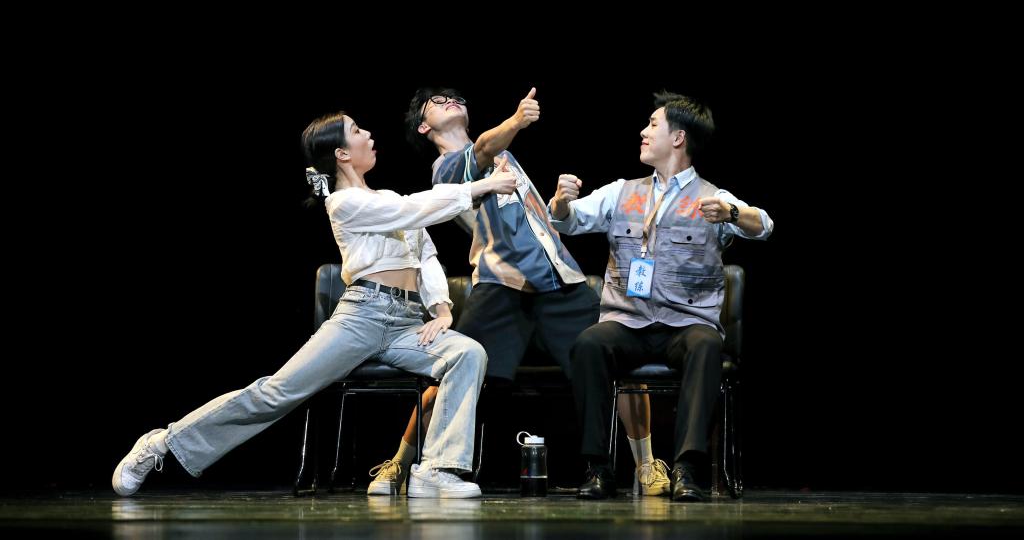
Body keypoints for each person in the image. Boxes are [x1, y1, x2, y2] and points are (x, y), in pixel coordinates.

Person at [111, 111, 518, 499]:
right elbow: (409, 209)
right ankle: (163, 443)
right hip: (361, 316)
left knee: (467, 353)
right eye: (357, 131)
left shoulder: (388, 196)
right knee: (276, 392)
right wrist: (478, 187)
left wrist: (441, 306)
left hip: (407, 322)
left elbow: (425, 254)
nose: (368, 135)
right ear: (341, 153)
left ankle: (437, 471)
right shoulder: (343, 203)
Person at [365, 87, 602, 495]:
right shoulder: (446, 170)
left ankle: (639, 464)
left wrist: (559, 203)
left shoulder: (505, 156)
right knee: (453, 373)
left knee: (607, 360)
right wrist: (517, 120)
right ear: (424, 127)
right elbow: (481, 150)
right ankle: (400, 463)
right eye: (437, 102)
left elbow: (538, 221)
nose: (450, 102)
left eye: (454, 98)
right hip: (500, 285)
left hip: (559, 281)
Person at [548, 91, 773, 501]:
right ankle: (598, 468)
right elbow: (569, 221)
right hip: (628, 321)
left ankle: (687, 469)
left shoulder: (712, 197)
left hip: (685, 324)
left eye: (653, 124)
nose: (643, 131)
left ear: (678, 138)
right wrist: (561, 203)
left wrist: (733, 214)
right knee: (589, 344)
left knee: (706, 345)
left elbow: (765, 226)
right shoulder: (621, 191)